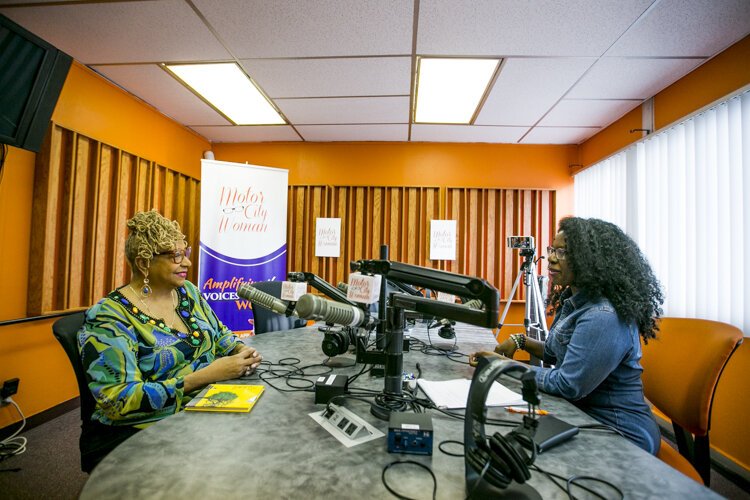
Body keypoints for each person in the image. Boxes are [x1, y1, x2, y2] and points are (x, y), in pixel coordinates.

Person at [78, 209, 262, 470]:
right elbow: (118, 400)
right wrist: (206, 376)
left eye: (184, 253)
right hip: (138, 430)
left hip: (203, 404)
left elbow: (219, 333)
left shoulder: (187, 292)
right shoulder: (109, 318)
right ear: (144, 263)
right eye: (176, 256)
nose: (186, 263)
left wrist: (239, 349)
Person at [471, 217, 663, 454]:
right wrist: (519, 340)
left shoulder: (603, 316)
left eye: (563, 252)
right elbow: (554, 352)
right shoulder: (575, 302)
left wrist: (504, 366)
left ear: (591, 260)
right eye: (553, 249)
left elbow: (568, 384)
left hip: (620, 433)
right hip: (582, 413)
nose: (551, 257)